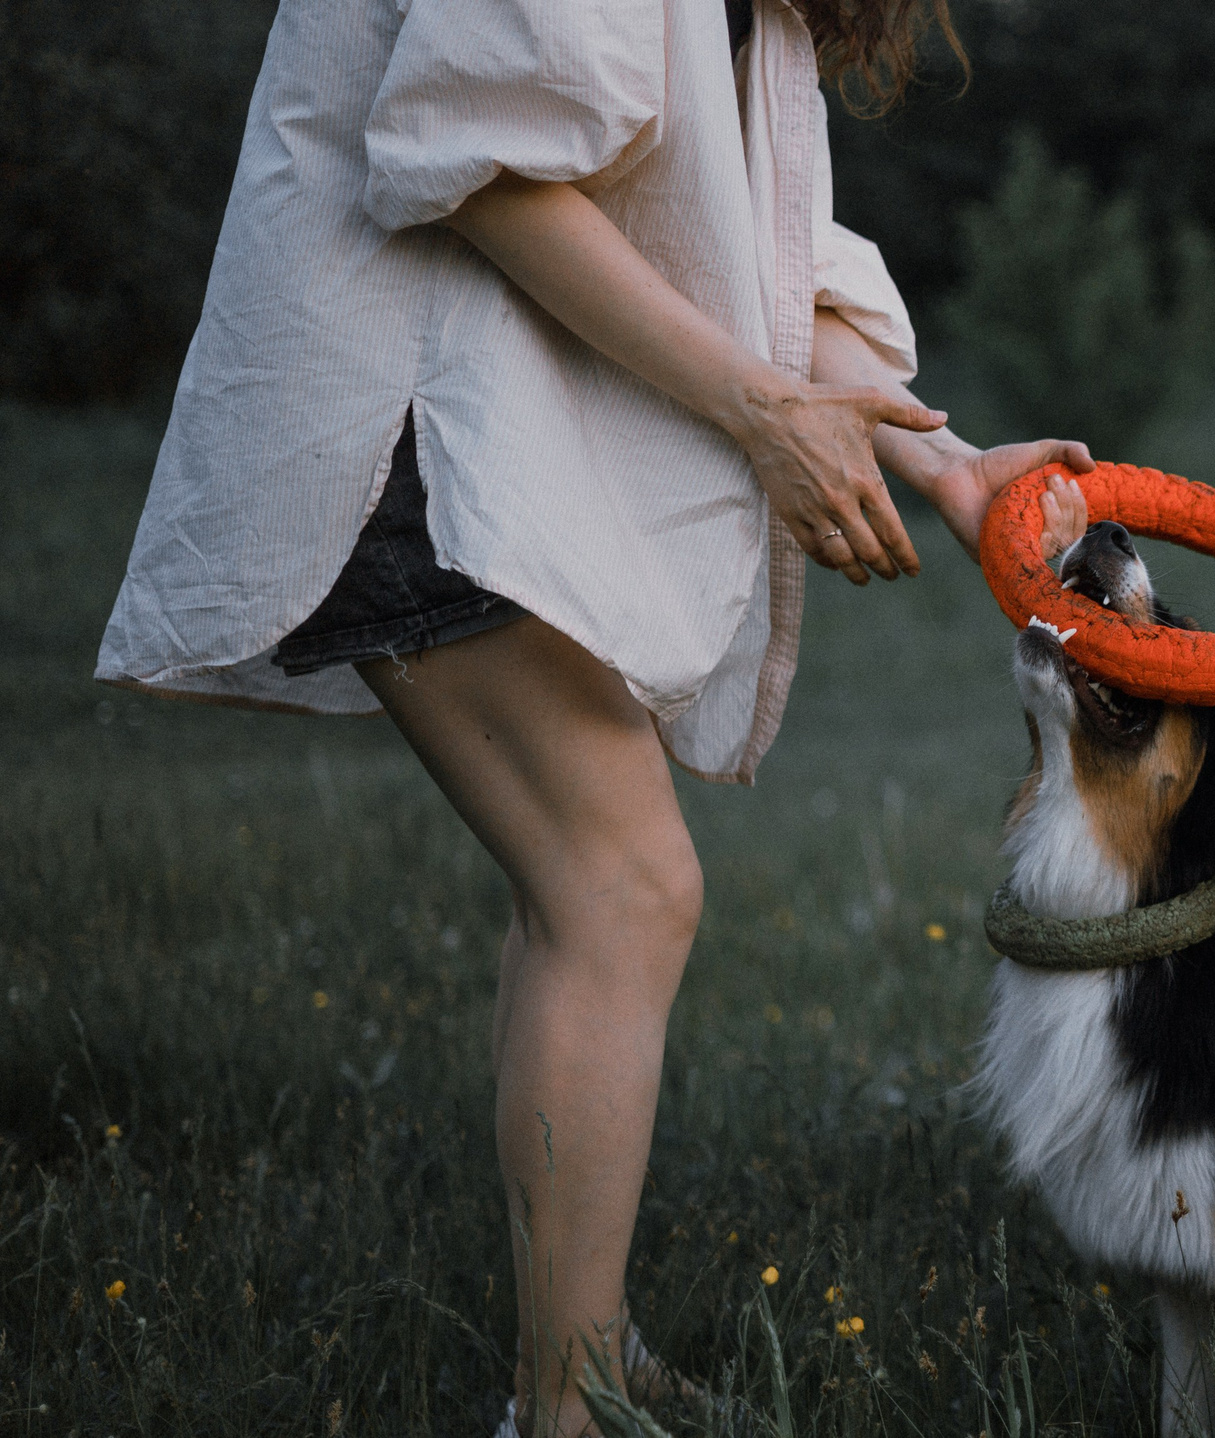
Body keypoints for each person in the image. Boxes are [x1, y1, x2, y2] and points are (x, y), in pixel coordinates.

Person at [93, 0, 1091, 1432]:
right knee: (620, 887)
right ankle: (564, 1409)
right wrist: (757, 413)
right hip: (400, 409)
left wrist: (947, 469)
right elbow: (485, 167)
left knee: (589, 892)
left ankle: (582, 1360)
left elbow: (750, 252)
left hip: (476, 414)